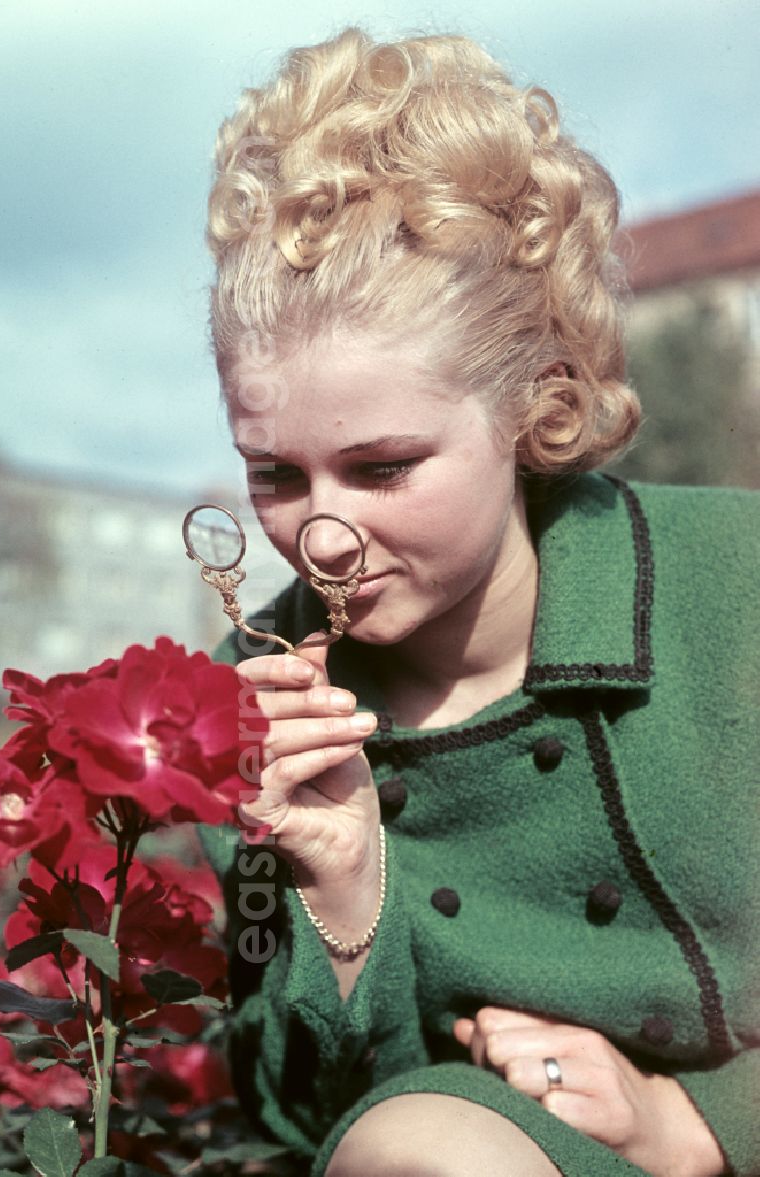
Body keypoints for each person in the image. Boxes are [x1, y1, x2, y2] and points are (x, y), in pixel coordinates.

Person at [197, 26, 760, 1177]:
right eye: (272, 473)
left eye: (384, 465)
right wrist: (341, 898)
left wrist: (694, 1124)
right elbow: (290, 1112)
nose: (320, 536)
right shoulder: (258, 710)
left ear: (533, 404)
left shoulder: (731, 584)